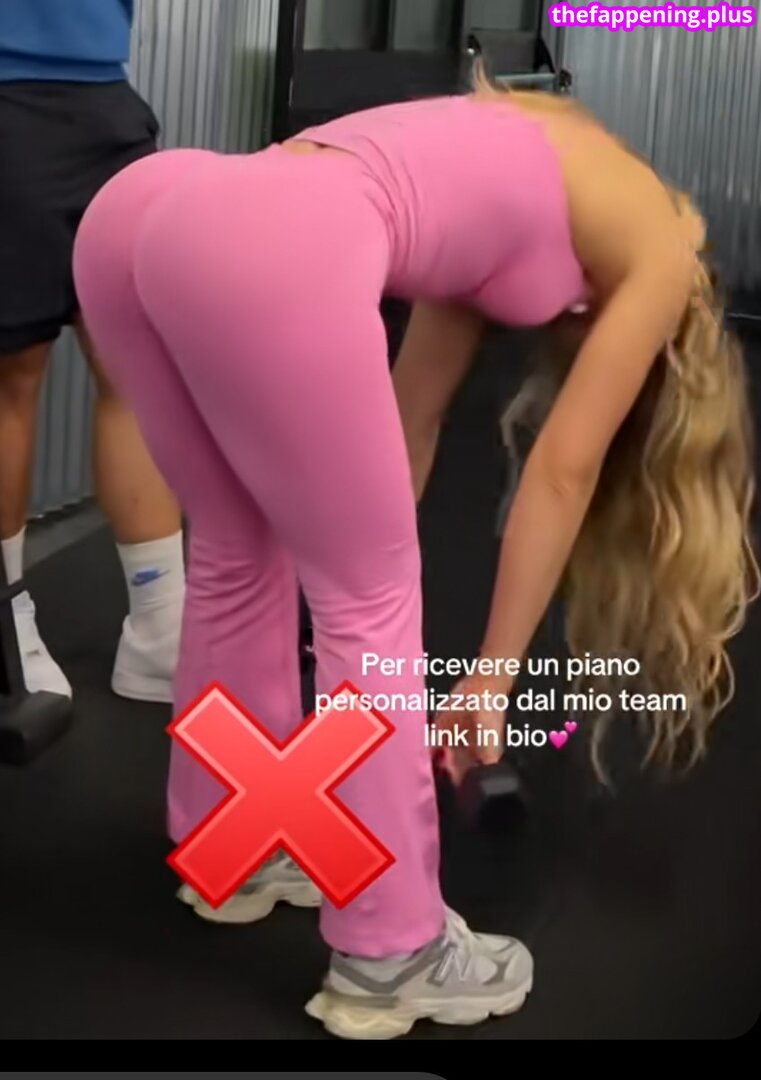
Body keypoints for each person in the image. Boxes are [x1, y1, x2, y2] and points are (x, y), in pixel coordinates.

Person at [71, 67, 756, 1039]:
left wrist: (343, 538)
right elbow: (561, 474)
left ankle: (239, 846)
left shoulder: (520, 161)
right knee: (369, 600)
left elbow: (406, 421)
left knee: (236, 546)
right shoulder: (663, 249)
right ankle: (392, 952)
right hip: (270, 233)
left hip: (146, 211)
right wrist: (488, 678)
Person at [0, 0, 184, 703]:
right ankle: (7, 625)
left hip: (105, 95)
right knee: (13, 374)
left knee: (137, 367)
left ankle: (160, 632)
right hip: (8, 94)